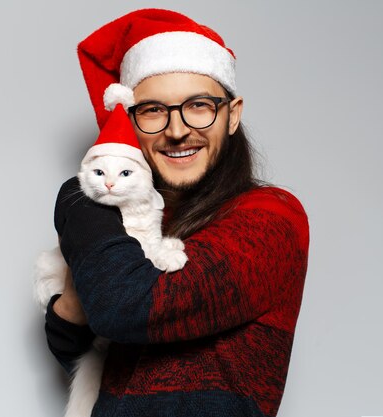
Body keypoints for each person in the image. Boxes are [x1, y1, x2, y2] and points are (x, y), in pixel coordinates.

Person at [44, 8, 309, 417]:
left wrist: (77, 193)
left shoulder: (273, 217)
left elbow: (124, 308)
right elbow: (72, 344)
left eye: (199, 105)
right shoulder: (135, 222)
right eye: (153, 110)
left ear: (232, 114)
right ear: (130, 122)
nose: (178, 129)